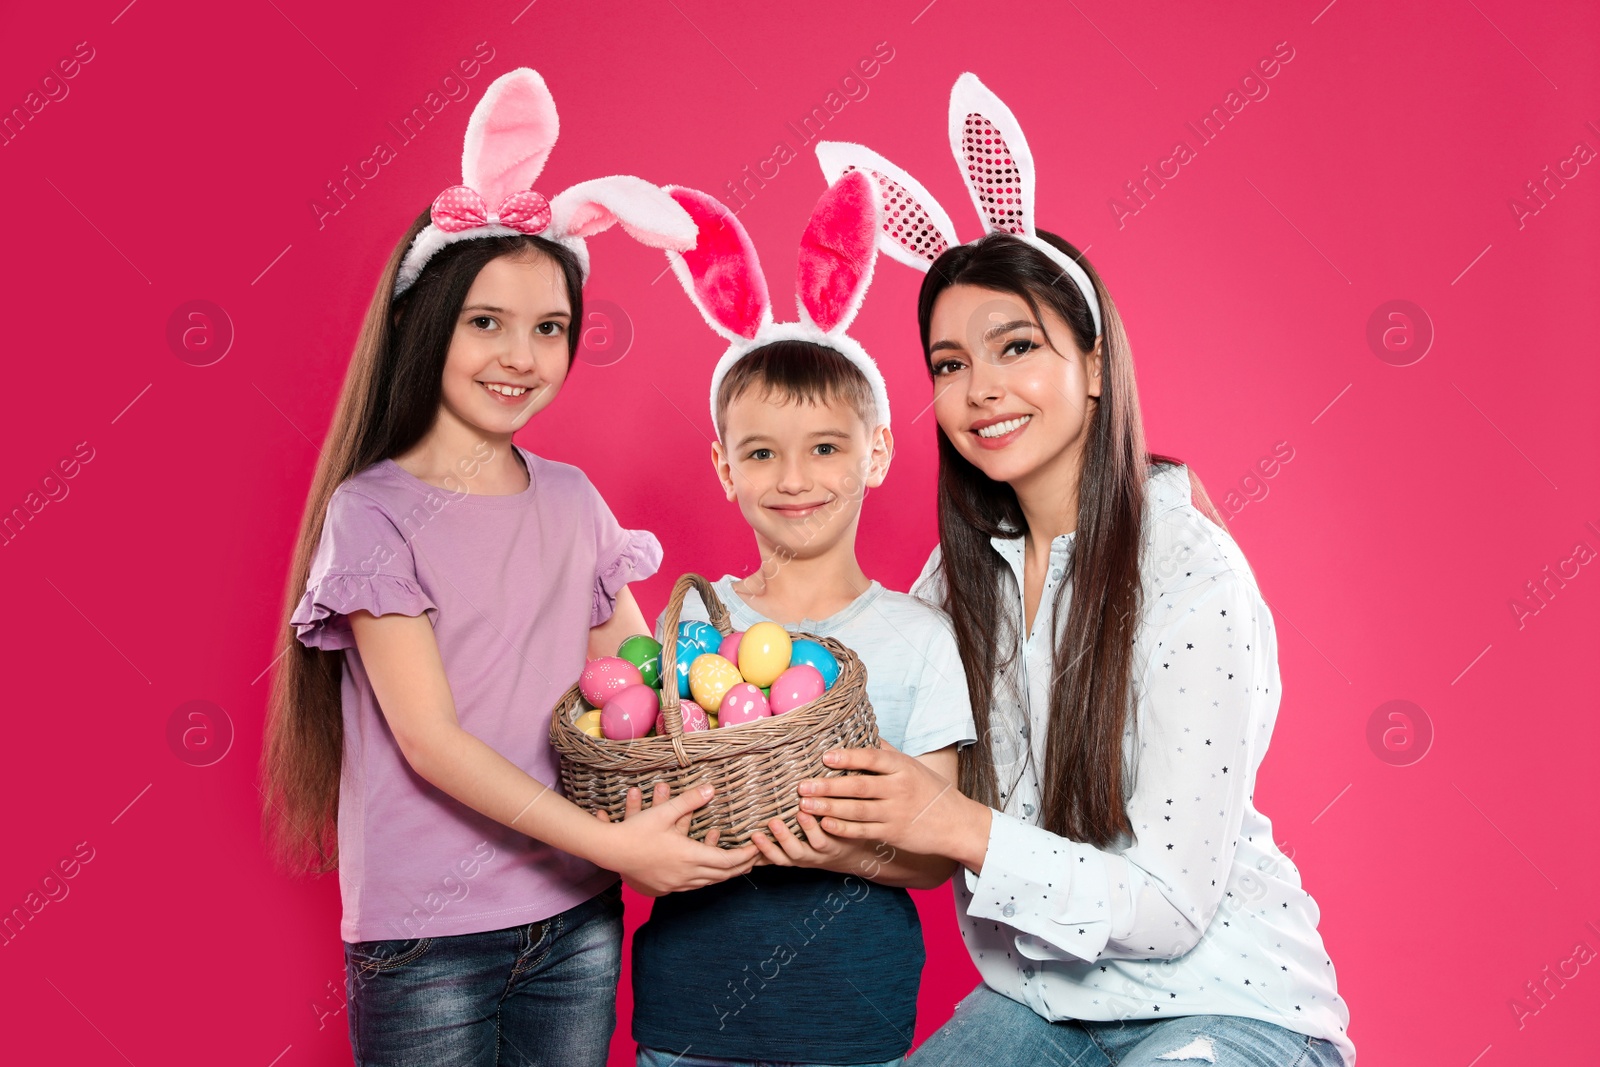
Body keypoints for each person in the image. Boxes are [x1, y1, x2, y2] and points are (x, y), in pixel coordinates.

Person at [801, 75, 1356, 1066]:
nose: (979, 389)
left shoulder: (1191, 572)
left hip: (1228, 1005)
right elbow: (928, 830)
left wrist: (958, 823)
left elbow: (1171, 909)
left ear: (1095, 364)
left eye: (1015, 345)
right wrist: (807, 824)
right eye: (947, 363)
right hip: (1045, 1010)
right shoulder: (956, 580)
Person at [260, 68, 757, 1067]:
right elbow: (432, 740)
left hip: (574, 917)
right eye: (486, 320)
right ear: (423, 320)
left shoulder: (571, 499)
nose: (521, 355)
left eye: (550, 327)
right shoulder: (372, 515)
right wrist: (623, 847)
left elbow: (648, 672)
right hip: (427, 940)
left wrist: (748, 703)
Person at [625, 175, 976, 1067]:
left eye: (825, 448)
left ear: (878, 450)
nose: (795, 479)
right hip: (688, 1013)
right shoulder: (692, 628)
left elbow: (934, 853)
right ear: (724, 466)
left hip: (852, 1018)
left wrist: (831, 850)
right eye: (762, 453)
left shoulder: (920, 638)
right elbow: (641, 822)